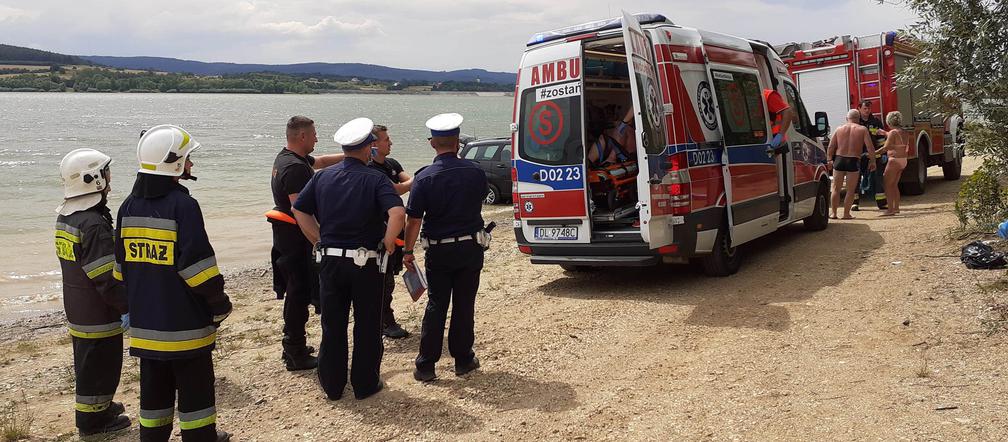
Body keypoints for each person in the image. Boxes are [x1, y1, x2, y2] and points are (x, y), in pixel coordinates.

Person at [116, 125, 232, 442]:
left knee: (154, 397)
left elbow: (120, 271)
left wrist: (132, 309)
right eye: (188, 159)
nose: (191, 165)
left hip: (146, 330)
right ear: (174, 164)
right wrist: (220, 305)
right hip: (186, 330)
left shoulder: (126, 207)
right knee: (196, 398)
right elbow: (199, 270)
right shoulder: (184, 206)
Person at [291, 117, 405, 400]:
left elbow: (299, 210)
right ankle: (365, 384)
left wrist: (317, 239)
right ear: (369, 148)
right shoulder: (376, 178)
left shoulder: (322, 177)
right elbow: (397, 213)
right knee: (367, 325)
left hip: (330, 261)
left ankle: (332, 385)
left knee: (333, 324)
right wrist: (388, 243)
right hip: (366, 262)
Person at [403, 113, 488, 382]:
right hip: (470, 247)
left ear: (432, 144)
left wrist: (407, 251)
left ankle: (426, 365)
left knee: (437, 304)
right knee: (465, 304)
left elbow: (414, 219)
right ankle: (463, 359)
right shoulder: (476, 171)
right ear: (458, 142)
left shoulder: (424, 178)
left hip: (439, 250)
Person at [54, 149, 131, 438]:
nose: (110, 178)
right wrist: (127, 305)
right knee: (101, 371)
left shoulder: (67, 217)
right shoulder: (93, 224)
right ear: (94, 178)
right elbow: (106, 279)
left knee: (89, 368)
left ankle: (102, 408)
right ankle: (92, 424)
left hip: (78, 308)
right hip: (99, 314)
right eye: (106, 172)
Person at [269, 115, 346, 371]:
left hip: (285, 239)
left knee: (296, 292)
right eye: (313, 134)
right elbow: (302, 211)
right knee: (298, 294)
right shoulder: (295, 169)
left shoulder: (288, 159)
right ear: (302, 136)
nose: (316, 138)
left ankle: (293, 345)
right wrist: (320, 243)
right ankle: (295, 352)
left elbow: (322, 162)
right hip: (296, 242)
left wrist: (349, 155)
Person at [368, 124, 414, 339]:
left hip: (397, 232)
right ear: (374, 145)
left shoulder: (391, 164)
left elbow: (408, 182)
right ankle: (386, 322)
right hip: (380, 232)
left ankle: (383, 320)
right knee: (382, 280)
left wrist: (415, 180)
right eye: (387, 139)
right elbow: (396, 189)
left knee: (390, 278)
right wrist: (424, 174)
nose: (391, 142)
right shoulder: (370, 169)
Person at [827, 109, 877, 219]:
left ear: (847, 118)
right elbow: (870, 147)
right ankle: (846, 214)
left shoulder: (839, 129)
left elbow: (831, 146)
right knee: (850, 190)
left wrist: (829, 159)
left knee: (836, 188)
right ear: (858, 119)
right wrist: (873, 161)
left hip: (839, 159)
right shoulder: (862, 129)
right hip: (853, 160)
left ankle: (834, 213)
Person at [854, 99, 889, 211]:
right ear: (859, 108)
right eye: (865, 108)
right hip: (859, 156)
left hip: (874, 155)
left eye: (869, 108)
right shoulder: (855, 122)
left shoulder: (876, 121)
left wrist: (883, 153)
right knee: (856, 179)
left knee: (878, 179)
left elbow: (881, 140)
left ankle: (881, 203)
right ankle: (854, 203)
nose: (867, 111)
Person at [876, 111, 909, 216]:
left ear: (889, 122)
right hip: (903, 160)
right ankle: (896, 208)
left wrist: (873, 153)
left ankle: (890, 210)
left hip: (894, 160)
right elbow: (896, 139)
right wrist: (885, 133)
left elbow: (886, 147)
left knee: (887, 185)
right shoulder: (904, 132)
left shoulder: (892, 133)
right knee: (894, 185)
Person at [764, 88, 794, 156]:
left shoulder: (768, 95)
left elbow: (788, 112)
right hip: (765, 139)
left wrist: (780, 135)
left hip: (774, 140)